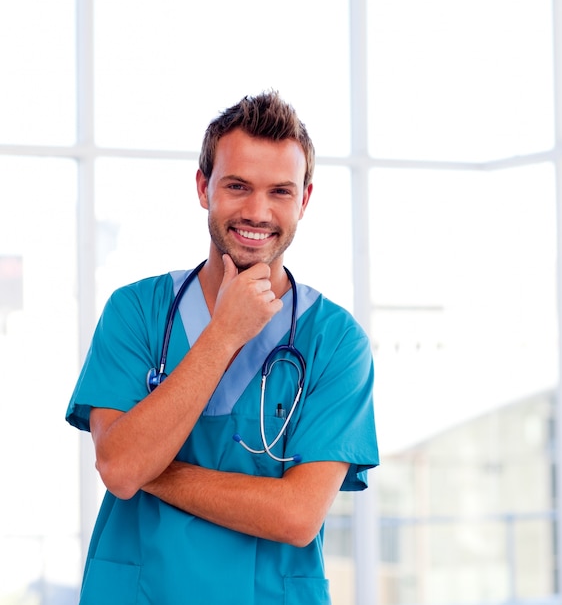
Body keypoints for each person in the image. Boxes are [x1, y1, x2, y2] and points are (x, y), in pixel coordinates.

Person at [66, 90, 379, 605]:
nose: (258, 211)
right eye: (237, 186)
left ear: (304, 200)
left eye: (280, 191)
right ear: (203, 187)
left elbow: (297, 516)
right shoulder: (137, 313)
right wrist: (224, 334)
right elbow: (120, 469)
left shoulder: (336, 342)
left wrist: (150, 468)